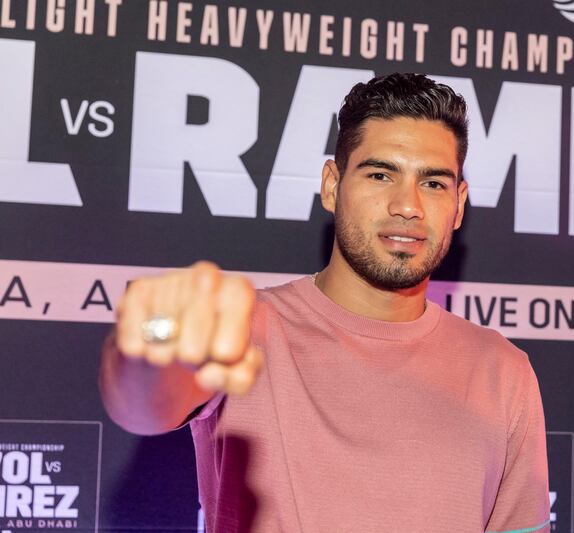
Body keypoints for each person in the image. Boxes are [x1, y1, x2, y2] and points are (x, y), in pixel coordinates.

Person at [100, 73, 550, 533]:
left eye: (433, 184)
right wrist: (151, 343)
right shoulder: (245, 327)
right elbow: (143, 405)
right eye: (380, 175)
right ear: (332, 185)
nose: (407, 206)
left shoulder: (502, 371)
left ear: (458, 205)